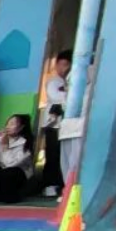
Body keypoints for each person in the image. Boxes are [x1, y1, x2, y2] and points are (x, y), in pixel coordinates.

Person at [0, 115, 34, 204]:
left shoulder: (25, 143)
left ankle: (12, 198)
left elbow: (10, 164)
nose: (8, 127)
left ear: (21, 127)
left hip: (17, 174)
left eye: (12, 124)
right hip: (2, 171)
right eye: (7, 124)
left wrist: (5, 146)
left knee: (9, 173)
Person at [42, 50, 71, 197]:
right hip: (53, 124)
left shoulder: (70, 82)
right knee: (52, 154)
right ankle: (50, 184)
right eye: (61, 64)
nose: (64, 68)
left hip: (66, 124)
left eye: (67, 65)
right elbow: (55, 97)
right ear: (57, 64)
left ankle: (62, 184)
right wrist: (68, 94)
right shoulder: (53, 81)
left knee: (64, 155)